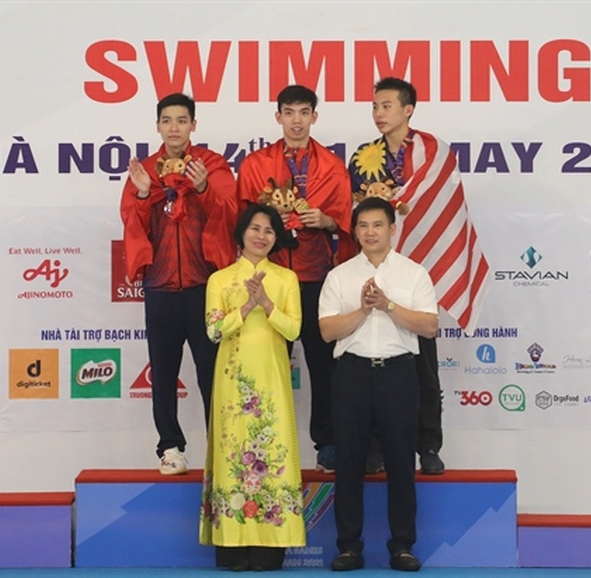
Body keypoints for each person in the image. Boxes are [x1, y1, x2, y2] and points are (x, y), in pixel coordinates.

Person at [348, 77, 490, 476]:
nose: (379, 114)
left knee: (424, 363)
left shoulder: (434, 152)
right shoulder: (362, 156)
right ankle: (374, 446)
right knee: (372, 358)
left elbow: (439, 204)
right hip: (377, 264)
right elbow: (358, 210)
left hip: (419, 270)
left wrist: (400, 201)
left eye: (387, 106)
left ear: (408, 109)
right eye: (375, 106)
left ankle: (428, 444)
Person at [236, 84, 354, 473]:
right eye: (290, 112)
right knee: (267, 362)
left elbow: (344, 220)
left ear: (315, 117)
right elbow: (243, 219)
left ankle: (328, 443)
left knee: (323, 366)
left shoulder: (332, 166)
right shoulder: (255, 165)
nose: (297, 120)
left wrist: (326, 220)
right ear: (278, 117)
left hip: (315, 276)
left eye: (305, 112)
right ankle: (264, 443)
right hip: (271, 277)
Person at [120, 93, 238, 475]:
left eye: (182, 120)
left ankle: (220, 448)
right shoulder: (146, 171)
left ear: (193, 125)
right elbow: (132, 221)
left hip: (206, 288)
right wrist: (141, 193)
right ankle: (170, 447)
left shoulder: (212, 165)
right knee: (164, 374)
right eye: (167, 120)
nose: (174, 127)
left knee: (212, 375)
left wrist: (203, 190)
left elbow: (231, 214)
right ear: (157, 126)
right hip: (160, 287)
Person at [319, 197, 438, 572]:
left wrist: (387, 305)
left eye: (378, 225)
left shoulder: (414, 273)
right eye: (363, 226)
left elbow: (429, 326)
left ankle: (402, 546)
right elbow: (327, 331)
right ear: (354, 232)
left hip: (399, 374)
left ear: (392, 229)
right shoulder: (339, 276)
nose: (370, 232)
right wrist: (363, 309)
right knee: (349, 463)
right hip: (352, 374)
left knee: (401, 463)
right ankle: (349, 548)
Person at [199, 204, 305, 572]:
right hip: (232, 383)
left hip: (272, 378)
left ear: (276, 239)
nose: (261, 236)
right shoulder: (221, 279)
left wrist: (267, 304)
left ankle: (270, 544)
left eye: (270, 231)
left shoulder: (286, 278)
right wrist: (245, 308)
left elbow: (294, 330)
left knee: (270, 453)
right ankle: (231, 544)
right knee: (234, 454)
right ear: (242, 233)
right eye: (255, 228)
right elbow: (213, 331)